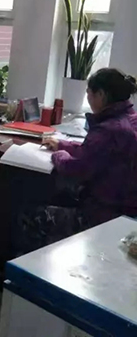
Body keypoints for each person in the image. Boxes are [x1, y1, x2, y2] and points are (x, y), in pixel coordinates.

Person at [18, 68, 137, 253]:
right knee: (56, 194)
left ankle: (27, 269)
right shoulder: (129, 120)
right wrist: (62, 144)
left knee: (30, 214)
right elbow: (94, 152)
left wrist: (58, 155)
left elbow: (75, 169)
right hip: (126, 210)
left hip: (104, 215)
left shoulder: (108, 130)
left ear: (101, 94)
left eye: (89, 93)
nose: (88, 98)